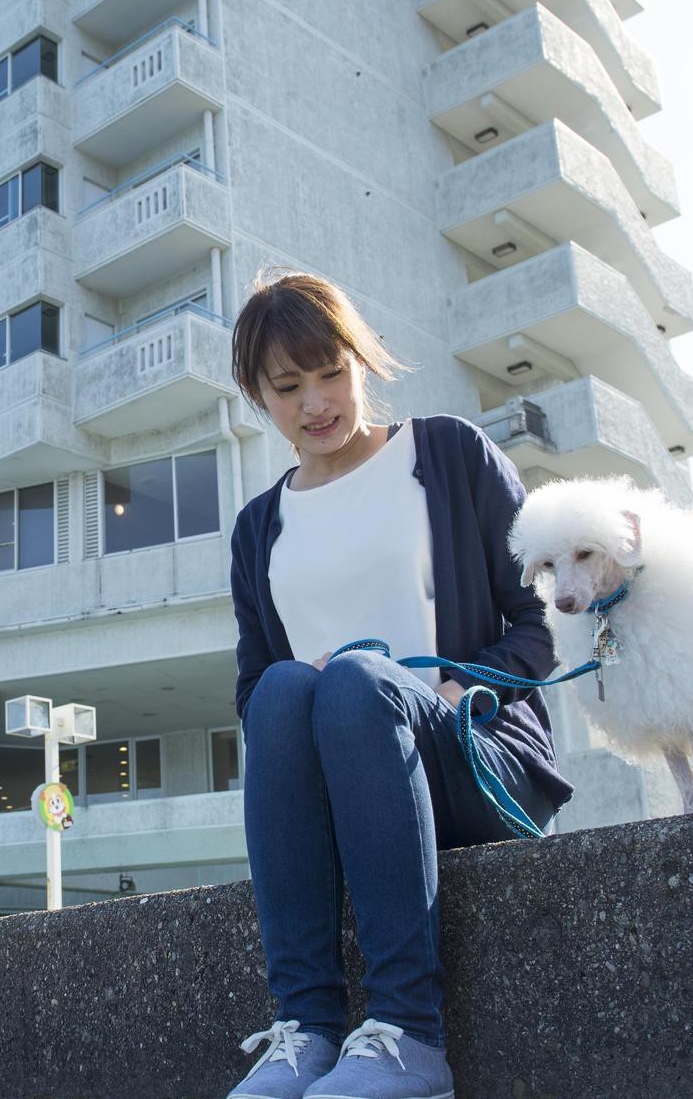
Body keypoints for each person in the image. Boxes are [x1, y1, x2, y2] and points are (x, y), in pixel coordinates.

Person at [224, 272, 572, 1099]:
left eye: (331, 372)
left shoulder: (446, 452)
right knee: (281, 690)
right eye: (288, 386)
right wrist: (300, 684)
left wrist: (465, 688)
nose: (317, 402)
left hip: (473, 758)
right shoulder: (257, 528)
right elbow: (250, 695)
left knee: (353, 681)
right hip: (350, 792)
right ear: (257, 395)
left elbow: (543, 618)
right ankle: (306, 1031)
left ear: (360, 359)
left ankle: (410, 1035)